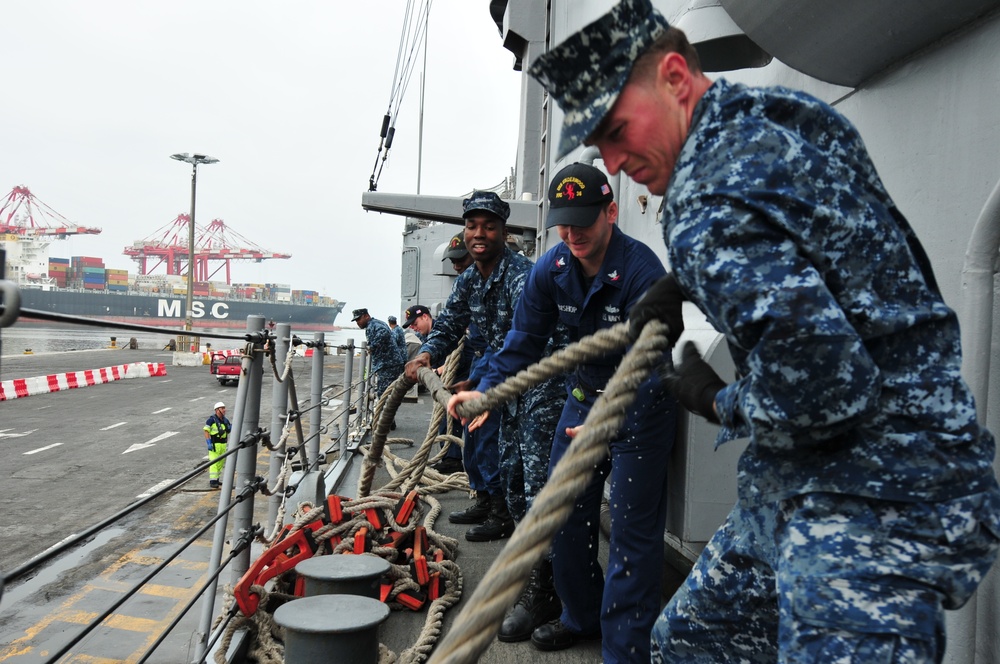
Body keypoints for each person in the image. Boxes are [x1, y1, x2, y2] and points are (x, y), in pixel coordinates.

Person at [528, 0, 1000, 661]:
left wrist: (712, 397)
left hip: (872, 503)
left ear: (673, 76)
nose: (610, 160)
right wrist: (686, 281)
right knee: (686, 644)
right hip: (796, 481)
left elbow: (826, 390)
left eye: (614, 128)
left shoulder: (703, 204)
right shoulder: (784, 120)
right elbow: (827, 237)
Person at [448, 163, 678, 659]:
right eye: (563, 223)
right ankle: (582, 615)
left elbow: (651, 358)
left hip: (639, 403)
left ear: (611, 213)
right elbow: (522, 343)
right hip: (584, 395)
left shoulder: (642, 273)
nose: (572, 234)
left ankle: (623, 652)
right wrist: (486, 392)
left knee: (631, 536)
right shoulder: (551, 270)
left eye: (584, 222)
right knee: (562, 515)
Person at [405, 191, 566, 543]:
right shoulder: (469, 280)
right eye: (472, 226)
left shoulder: (522, 277)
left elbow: (523, 342)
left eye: (489, 227)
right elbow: (448, 325)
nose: (478, 234)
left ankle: (546, 573)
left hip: (541, 387)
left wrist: (483, 385)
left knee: (535, 477)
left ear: (503, 231)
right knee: (508, 470)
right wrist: (427, 354)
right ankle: (507, 522)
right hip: (502, 380)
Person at [352, 307, 406, 399]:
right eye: (356, 321)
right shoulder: (376, 323)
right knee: (387, 393)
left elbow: (383, 333)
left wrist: (371, 347)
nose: (358, 322)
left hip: (388, 365)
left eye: (359, 319)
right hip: (389, 364)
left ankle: (383, 413)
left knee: (384, 395)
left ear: (366, 316)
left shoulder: (374, 325)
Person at [203, 402, 231, 489]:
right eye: (222, 408)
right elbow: (206, 431)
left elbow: (229, 429)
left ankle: (217, 479)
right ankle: (213, 481)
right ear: (217, 410)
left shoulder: (225, 420)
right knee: (214, 463)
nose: (224, 410)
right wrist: (208, 442)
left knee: (220, 463)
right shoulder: (211, 420)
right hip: (215, 445)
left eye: (224, 408)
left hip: (223, 445)